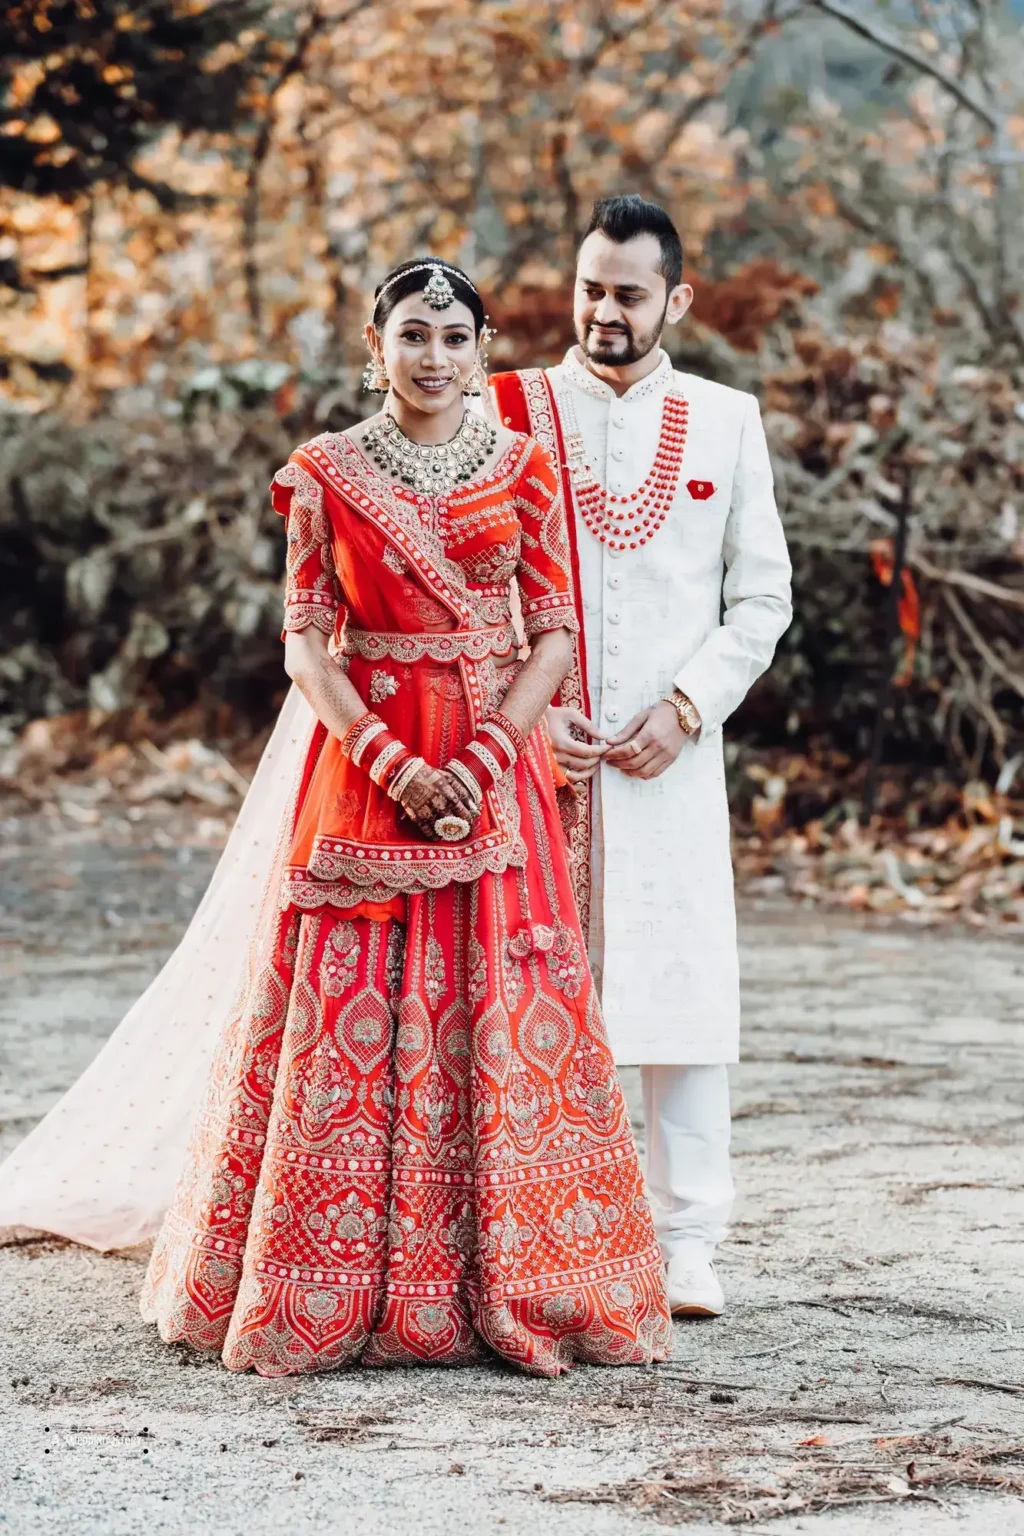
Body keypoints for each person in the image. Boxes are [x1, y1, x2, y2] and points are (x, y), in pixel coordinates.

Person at [0, 257, 670, 1379]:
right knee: (345, 1004)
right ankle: (325, 1286)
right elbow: (306, 637)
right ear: (375, 346)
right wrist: (391, 760)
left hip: (494, 763)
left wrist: (496, 746)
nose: (436, 357)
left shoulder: (522, 466)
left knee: (504, 1000)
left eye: (457, 338)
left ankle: (515, 1283)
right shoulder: (324, 473)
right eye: (414, 334)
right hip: (367, 759)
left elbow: (553, 626)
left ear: (484, 348)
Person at [490, 197, 792, 1319]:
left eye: (626, 293)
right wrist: (522, 711)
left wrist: (687, 705)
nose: (602, 312)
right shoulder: (506, 407)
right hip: (533, 752)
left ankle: (686, 1245)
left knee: (681, 985)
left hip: (669, 757)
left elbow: (762, 597)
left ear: (676, 299)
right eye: (588, 288)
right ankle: (524, 1233)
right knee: (518, 987)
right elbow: (473, 583)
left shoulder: (725, 419)